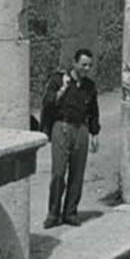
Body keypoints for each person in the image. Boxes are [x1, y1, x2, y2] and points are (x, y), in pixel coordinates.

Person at [40, 48, 100, 228]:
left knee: (77, 173)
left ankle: (70, 212)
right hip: (62, 127)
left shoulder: (90, 86)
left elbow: (94, 111)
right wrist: (63, 88)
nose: (86, 68)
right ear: (74, 63)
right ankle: (53, 213)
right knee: (58, 173)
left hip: (81, 129)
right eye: (83, 65)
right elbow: (48, 102)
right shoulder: (58, 80)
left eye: (89, 65)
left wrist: (94, 132)